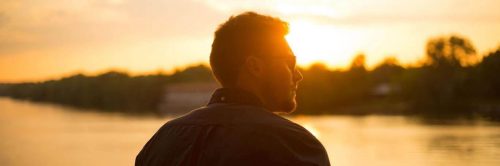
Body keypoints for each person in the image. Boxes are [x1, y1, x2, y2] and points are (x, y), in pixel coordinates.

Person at [136, 12, 331, 166]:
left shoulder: (162, 141)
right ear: (255, 66)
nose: (298, 75)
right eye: (289, 62)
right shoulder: (295, 145)